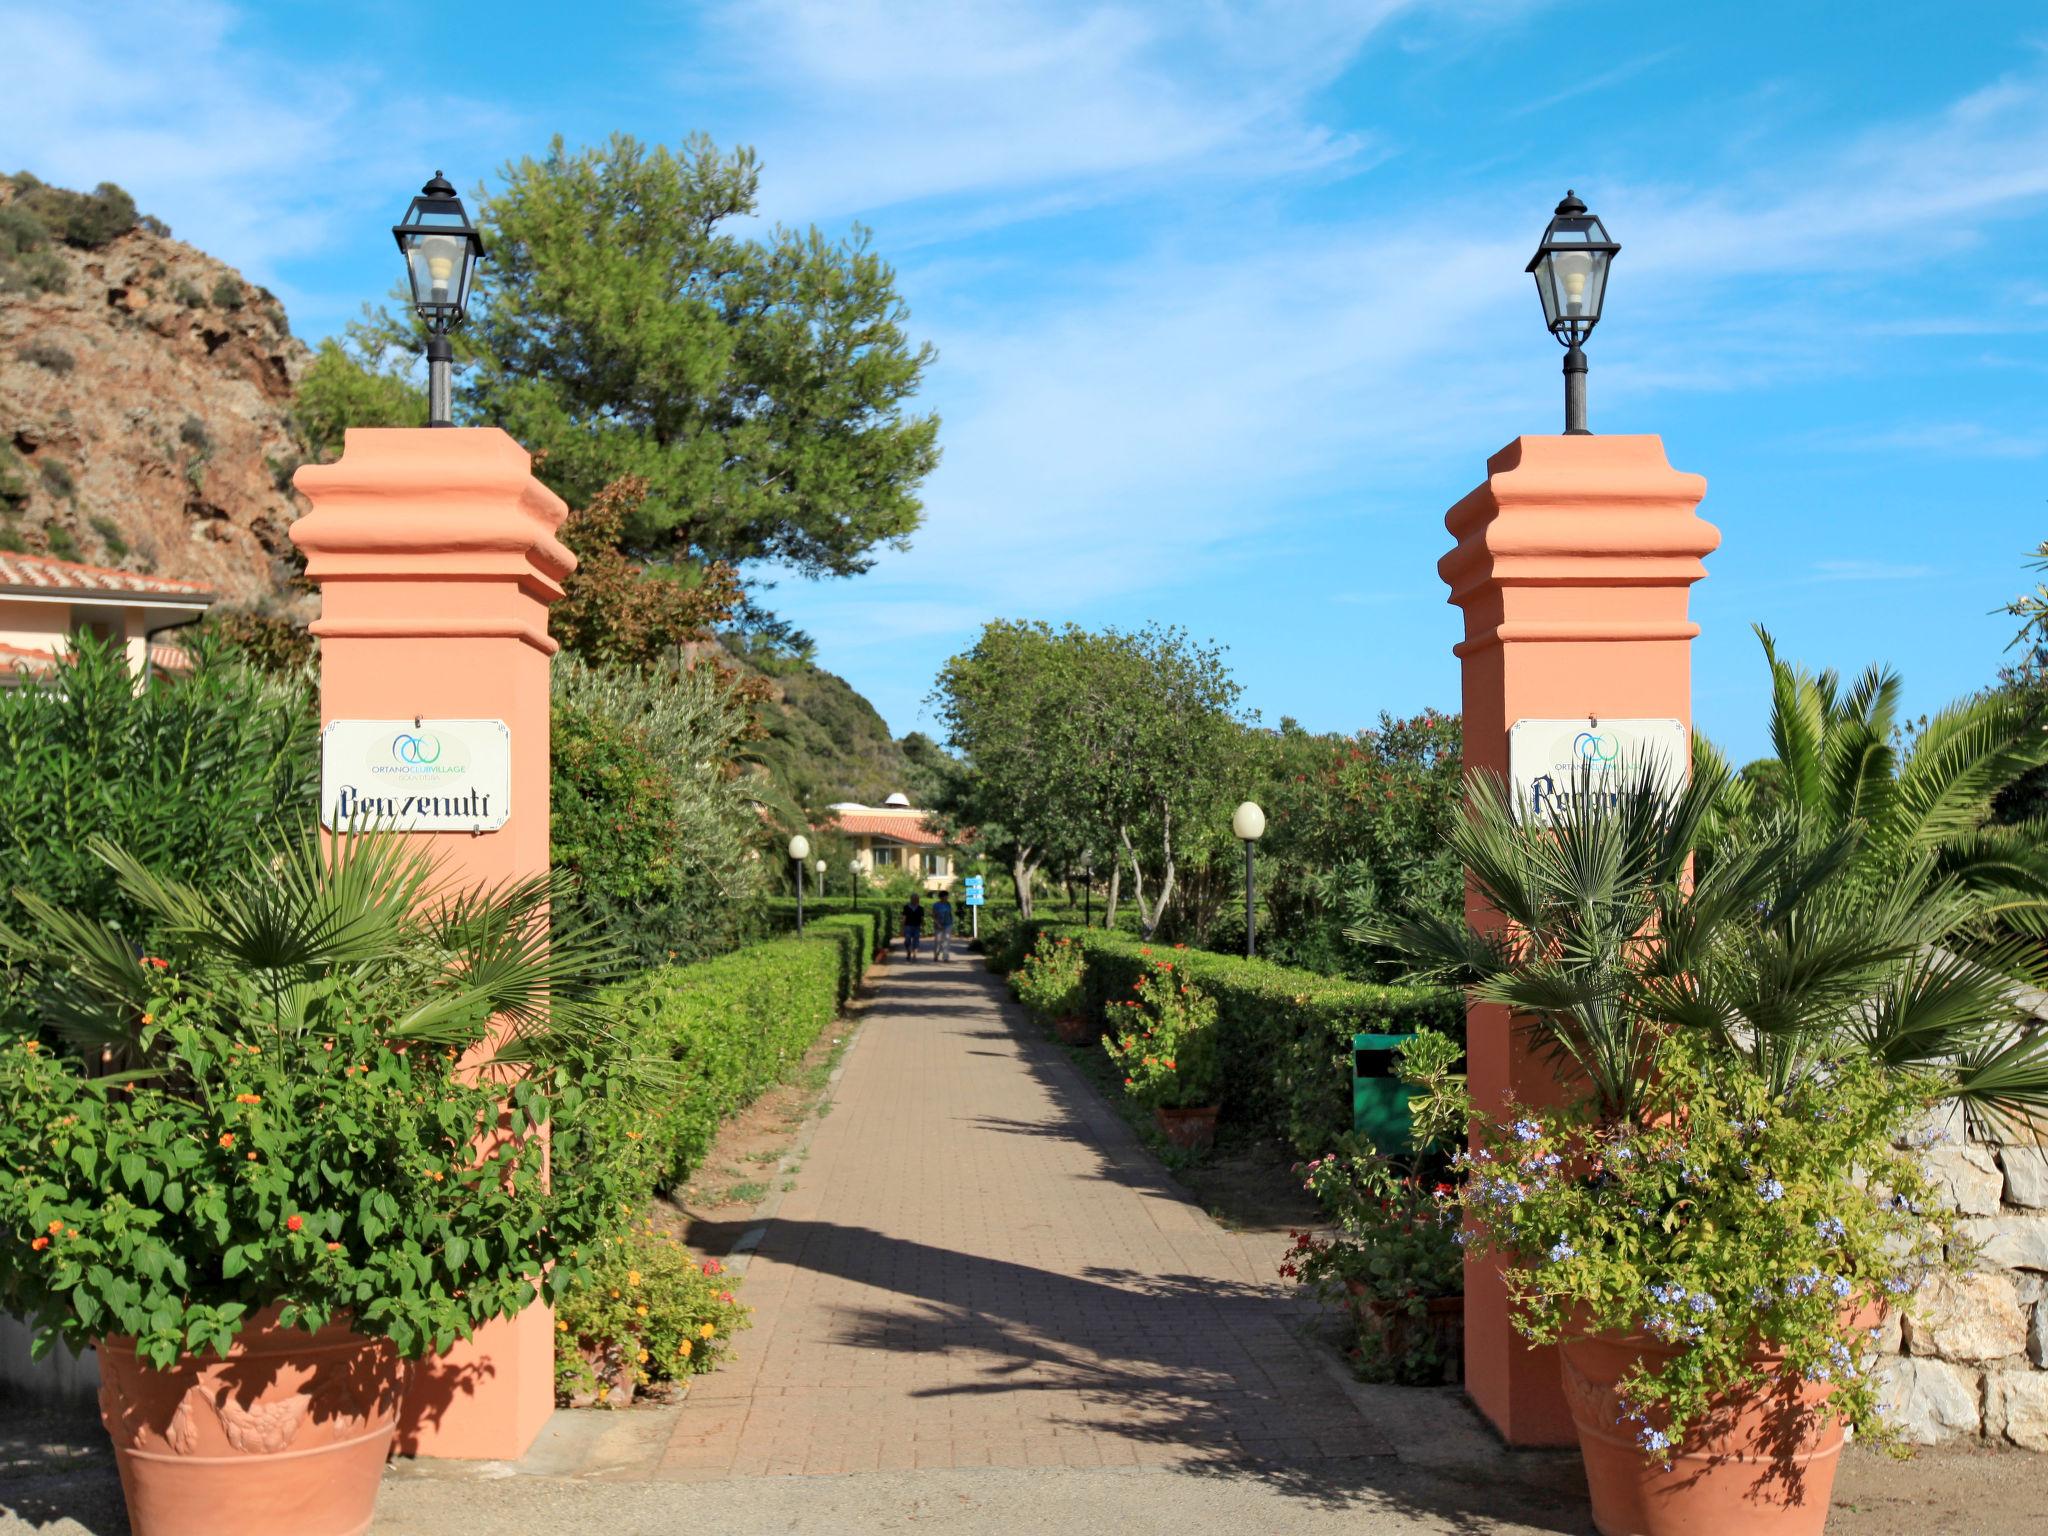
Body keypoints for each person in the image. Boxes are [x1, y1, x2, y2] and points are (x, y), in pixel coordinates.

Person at [931, 892, 955, 961]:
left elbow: (950, 913)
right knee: (938, 941)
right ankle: (936, 954)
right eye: (946, 896)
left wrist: (952, 922)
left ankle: (945, 957)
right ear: (941, 897)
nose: (947, 898)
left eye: (947, 896)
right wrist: (937, 923)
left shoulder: (948, 904)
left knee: (946, 941)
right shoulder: (936, 905)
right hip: (938, 925)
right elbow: (933, 915)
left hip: (948, 924)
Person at [901, 895, 924, 961]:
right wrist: (902, 928)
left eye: (917, 899)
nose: (916, 900)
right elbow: (904, 918)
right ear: (911, 899)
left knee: (916, 940)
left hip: (917, 926)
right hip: (908, 926)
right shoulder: (906, 907)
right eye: (914, 899)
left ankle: (914, 955)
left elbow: (922, 919)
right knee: (907, 940)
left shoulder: (920, 908)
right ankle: (908, 952)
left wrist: (923, 928)